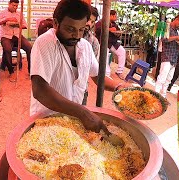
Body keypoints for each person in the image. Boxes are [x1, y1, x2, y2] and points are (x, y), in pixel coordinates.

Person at [30, 0, 127, 133]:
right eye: (70, 29)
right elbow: (40, 90)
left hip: (73, 123)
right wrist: (82, 112)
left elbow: (97, 75)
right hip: (47, 121)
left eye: (81, 29)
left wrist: (118, 87)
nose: (76, 35)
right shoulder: (45, 43)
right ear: (56, 23)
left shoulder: (85, 46)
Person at [0, 0, 32, 82]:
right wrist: (6, 20)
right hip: (6, 36)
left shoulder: (19, 13)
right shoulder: (2, 13)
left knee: (29, 48)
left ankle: (31, 71)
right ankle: (11, 71)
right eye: (13, 5)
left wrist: (17, 24)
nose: (15, 7)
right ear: (9, 4)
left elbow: (25, 26)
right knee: (7, 49)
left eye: (16, 6)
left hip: (17, 35)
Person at [154, 15, 179, 98]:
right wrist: (176, 38)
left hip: (174, 57)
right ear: (177, 19)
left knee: (169, 79)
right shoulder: (167, 27)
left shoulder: (177, 30)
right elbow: (164, 39)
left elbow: (175, 42)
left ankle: (163, 96)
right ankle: (155, 95)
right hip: (167, 56)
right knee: (162, 77)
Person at [95, 10, 126, 80]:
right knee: (105, 57)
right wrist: (108, 29)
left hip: (112, 43)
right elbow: (97, 30)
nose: (116, 17)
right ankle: (106, 74)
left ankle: (119, 71)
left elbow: (117, 31)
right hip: (103, 43)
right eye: (115, 16)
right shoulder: (101, 22)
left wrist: (117, 34)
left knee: (122, 51)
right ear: (110, 15)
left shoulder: (114, 24)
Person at [82, 6, 100, 105]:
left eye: (92, 22)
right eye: (88, 19)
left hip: (82, 89)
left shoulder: (93, 42)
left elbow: (93, 70)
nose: (89, 24)